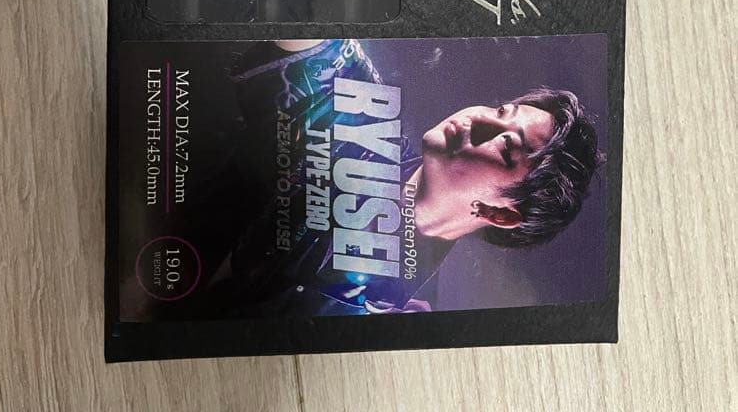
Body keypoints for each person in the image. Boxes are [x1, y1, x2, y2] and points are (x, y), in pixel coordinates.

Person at [201, 37, 602, 317]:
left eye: (506, 146)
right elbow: (309, 31)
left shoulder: (397, 310)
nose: (478, 120)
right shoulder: (364, 118)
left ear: (500, 213)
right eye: (500, 111)